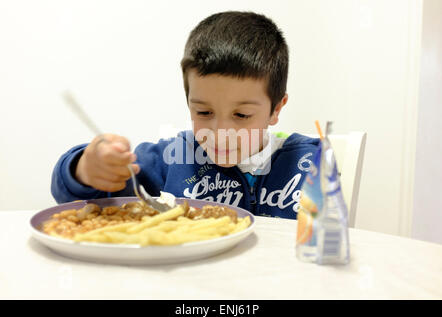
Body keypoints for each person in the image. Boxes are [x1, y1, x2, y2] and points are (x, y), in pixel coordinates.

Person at [51, 11, 320, 219]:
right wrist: (85, 169)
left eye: (241, 115)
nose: (220, 133)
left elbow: (331, 244)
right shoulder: (171, 159)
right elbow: (82, 199)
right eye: (204, 112)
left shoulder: (309, 162)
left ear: (276, 109)